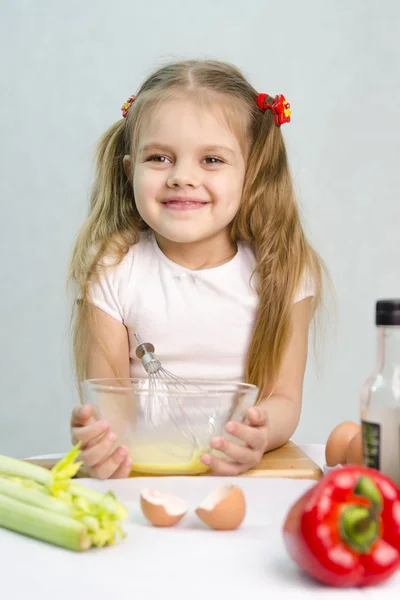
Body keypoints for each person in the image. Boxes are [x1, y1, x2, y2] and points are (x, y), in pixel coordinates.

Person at [68, 59, 327, 479]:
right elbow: (111, 400)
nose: (182, 177)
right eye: (159, 158)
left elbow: (283, 399)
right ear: (130, 170)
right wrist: (101, 439)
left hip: (242, 480)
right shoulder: (112, 272)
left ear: (252, 173)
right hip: (146, 477)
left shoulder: (284, 271)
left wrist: (256, 435)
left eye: (210, 159)